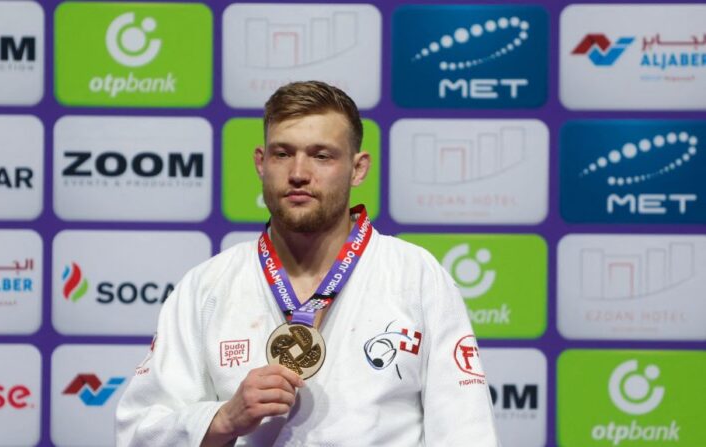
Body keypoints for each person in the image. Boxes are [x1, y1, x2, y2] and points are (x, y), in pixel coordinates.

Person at [116, 81, 499, 446]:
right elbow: (138, 432)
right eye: (283, 153)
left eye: (321, 155)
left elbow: (466, 431)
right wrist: (224, 419)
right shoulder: (208, 286)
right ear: (261, 163)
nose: (299, 173)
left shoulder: (416, 276)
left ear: (358, 168)